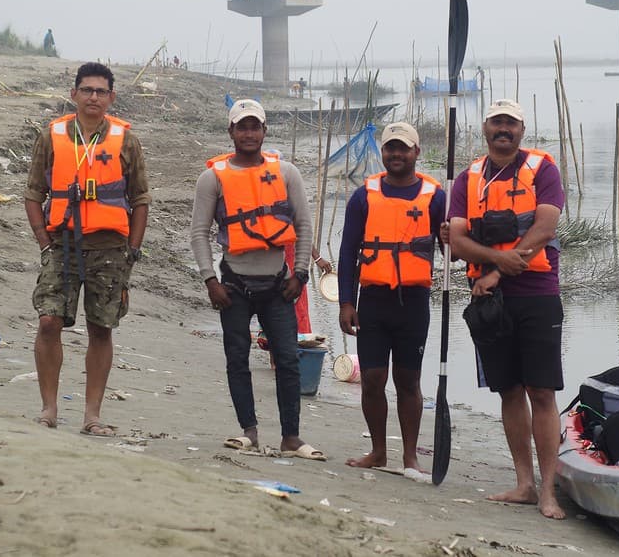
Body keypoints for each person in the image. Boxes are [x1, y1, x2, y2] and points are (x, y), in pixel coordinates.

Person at [447, 99, 566, 519]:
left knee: (542, 391)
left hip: (537, 293)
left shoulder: (542, 170)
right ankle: (524, 484)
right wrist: (495, 265)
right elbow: (457, 241)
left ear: (521, 129)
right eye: (497, 122)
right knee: (509, 391)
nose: (504, 130)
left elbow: (546, 225)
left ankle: (549, 491)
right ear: (485, 128)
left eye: (510, 124)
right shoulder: (468, 179)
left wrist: (499, 270)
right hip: (488, 302)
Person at [190, 98, 324, 459]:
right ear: (231, 131)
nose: (249, 133)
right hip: (233, 285)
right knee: (237, 358)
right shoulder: (213, 178)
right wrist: (209, 280)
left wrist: (300, 273)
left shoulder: (286, 173)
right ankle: (248, 431)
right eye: (242, 126)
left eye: (255, 126)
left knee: (288, 359)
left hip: (279, 285)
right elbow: (199, 232)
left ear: (264, 131)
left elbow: (304, 225)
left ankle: (291, 437)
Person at [23, 62, 149, 436]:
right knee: (48, 321)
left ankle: (91, 415)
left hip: (110, 247)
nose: (93, 96)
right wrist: (44, 242)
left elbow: (140, 197)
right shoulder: (52, 135)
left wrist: (133, 250)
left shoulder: (126, 140)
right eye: (87, 90)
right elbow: (33, 193)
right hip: (61, 244)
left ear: (111, 97)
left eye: (101, 91)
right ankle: (48, 408)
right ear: (74, 93)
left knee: (101, 327)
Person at [338, 122, 444, 479]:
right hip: (373, 299)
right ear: (383, 153)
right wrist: (345, 302)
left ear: (417, 152)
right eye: (390, 148)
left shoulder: (435, 196)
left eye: (404, 148)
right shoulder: (363, 196)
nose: (396, 154)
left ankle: (410, 456)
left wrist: (451, 234)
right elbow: (348, 251)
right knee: (371, 378)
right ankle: (379, 451)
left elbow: (453, 249)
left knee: (408, 381)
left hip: (413, 302)